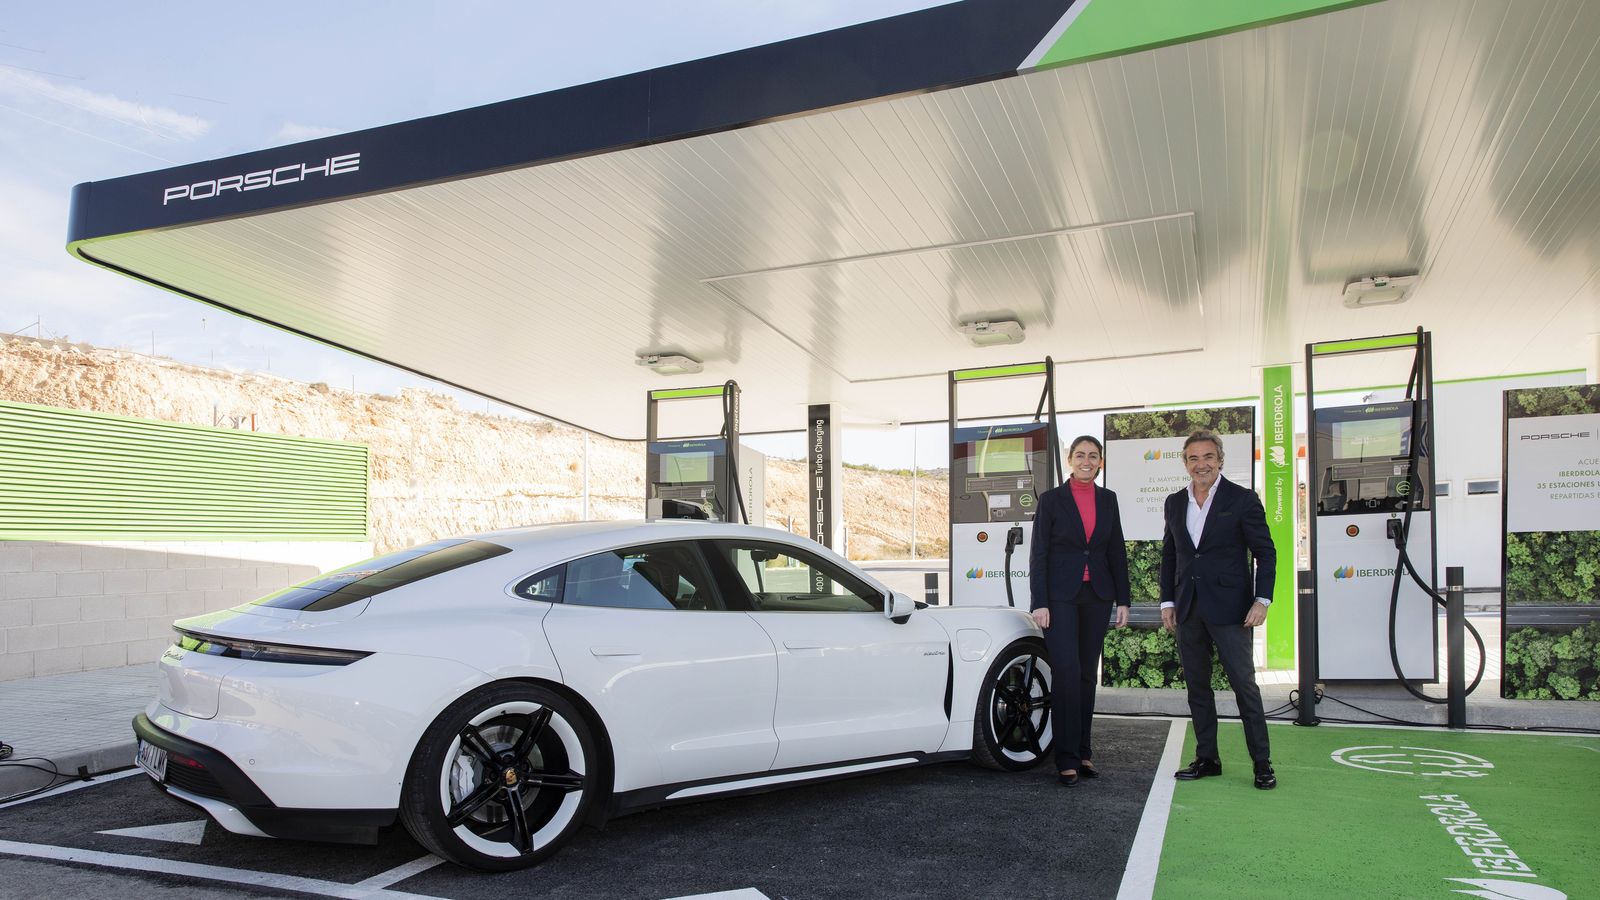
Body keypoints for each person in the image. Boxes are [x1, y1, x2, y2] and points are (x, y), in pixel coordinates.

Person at [1159, 430, 1277, 790]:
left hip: (1232, 611)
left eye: (1208, 457)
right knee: (1198, 687)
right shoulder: (1175, 502)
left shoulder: (1241, 500)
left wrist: (1262, 600)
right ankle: (1207, 757)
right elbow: (1172, 554)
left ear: (1220, 460)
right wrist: (1168, 601)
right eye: (1193, 458)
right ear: (1185, 463)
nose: (1201, 465)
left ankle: (1262, 763)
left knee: (1245, 686)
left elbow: (1265, 553)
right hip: (1188, 609)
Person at [1029, 435, 1130, 787]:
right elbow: (1039, 553)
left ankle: (1084, 751)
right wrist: (1039, 601)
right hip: (1059, 597)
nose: (1087, 460)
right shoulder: (1052, 500)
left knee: (1087, 674)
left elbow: (1115, 550)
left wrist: (1124, 600)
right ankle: (1066, 757)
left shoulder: (1109, 499)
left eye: (1093, 456)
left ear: (1100, 461)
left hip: (1098, 595)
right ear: (1070, 460)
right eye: (1080, 455)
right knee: (1067, 673)